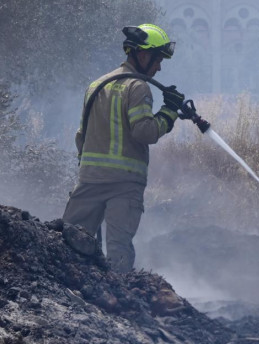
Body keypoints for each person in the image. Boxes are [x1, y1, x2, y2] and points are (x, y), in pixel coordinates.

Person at [62, 24, 184, 272]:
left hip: (89, 181)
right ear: (142, 54)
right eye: (158, 59)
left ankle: (66, 296)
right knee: (118, 252)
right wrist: (169, 112)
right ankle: (120, 304)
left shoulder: (97, 85)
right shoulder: (137, 87)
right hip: (124, 184)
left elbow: (81, 136)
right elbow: (145, 132)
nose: (159, 67)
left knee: (71, 244)